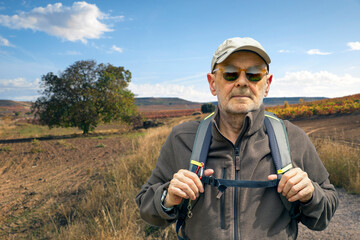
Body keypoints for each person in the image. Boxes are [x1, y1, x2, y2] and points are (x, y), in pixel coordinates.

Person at [135, 37, 339, 239]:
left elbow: (325, 213)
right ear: (212, 83)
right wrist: (168, 197)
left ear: (267, 84)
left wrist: (311, 195)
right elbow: (146, 207)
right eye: (231, 74)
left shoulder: (292, 138)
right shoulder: (182, 138)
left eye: (254, 74)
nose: (242, 81)